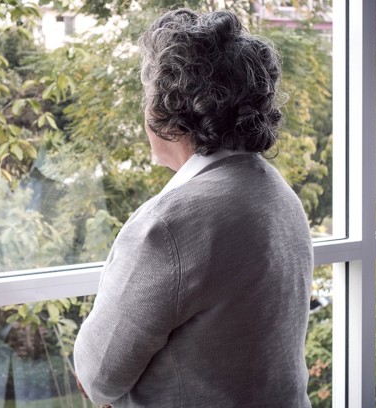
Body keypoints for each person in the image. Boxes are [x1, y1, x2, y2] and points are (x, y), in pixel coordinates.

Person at [73, 8, 313, 407]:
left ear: (169, 109)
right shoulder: (278, 194)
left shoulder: (168, 226)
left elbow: (99, 378)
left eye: (148, 95)